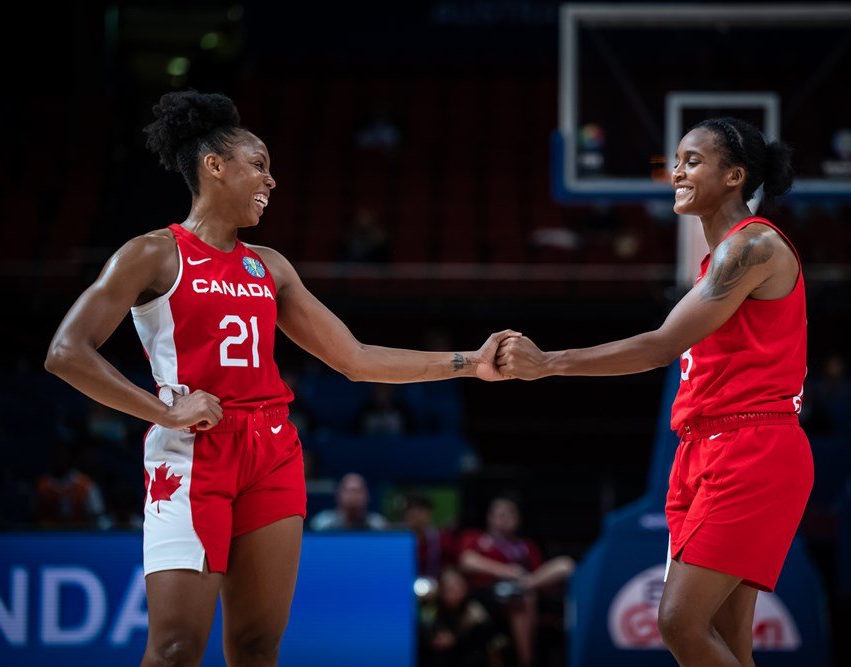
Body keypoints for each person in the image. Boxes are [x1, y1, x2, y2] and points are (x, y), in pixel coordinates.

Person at [44, 89, 518, 667]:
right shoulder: (152, 253)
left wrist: (470, 361)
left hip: (271, 450)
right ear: (214, 166)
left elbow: (356, 357)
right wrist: (163, 411)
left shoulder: (268, 264)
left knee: (256, 647)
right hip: (193, 456)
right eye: (259, 165)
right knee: (173, 649)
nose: (271, 181)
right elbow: (66, 352)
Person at [497, 117, 810, 667]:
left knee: (677, 621)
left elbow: (661, 346)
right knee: (727, 640)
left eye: (692, 161)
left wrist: (548, 363)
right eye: (677, 161)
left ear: (735, 175)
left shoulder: (754, 246)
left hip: (752, 447)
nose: (676, 172)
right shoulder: (718, 260)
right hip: (706, 446)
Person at [459, 495, 575, 667]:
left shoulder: (526, 546)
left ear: (518, 519)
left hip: (524, 589)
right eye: (500, 514)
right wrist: (507, 571)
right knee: (522, 597)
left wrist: (526, 582)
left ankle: (521, 587)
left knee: (565, 565)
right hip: (488, 593)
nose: (504, 518)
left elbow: (540, 573)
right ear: (489, 517)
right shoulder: (475, 538)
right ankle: (527, 662)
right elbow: (467, 561)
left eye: (509, 514)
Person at [420, 566, 501, 667]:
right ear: (441, 591)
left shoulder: (476, 605)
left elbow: (489, 637)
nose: (455, 591)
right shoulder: (433, 609)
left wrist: (460, 633)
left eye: (458, 584)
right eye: (449, 588)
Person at [309, 472, 387, 531]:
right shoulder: (322, 523)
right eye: (348, 491)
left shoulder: (379, 524)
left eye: (358, 491)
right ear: (339, 495)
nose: (353, 496)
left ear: (367, 496)